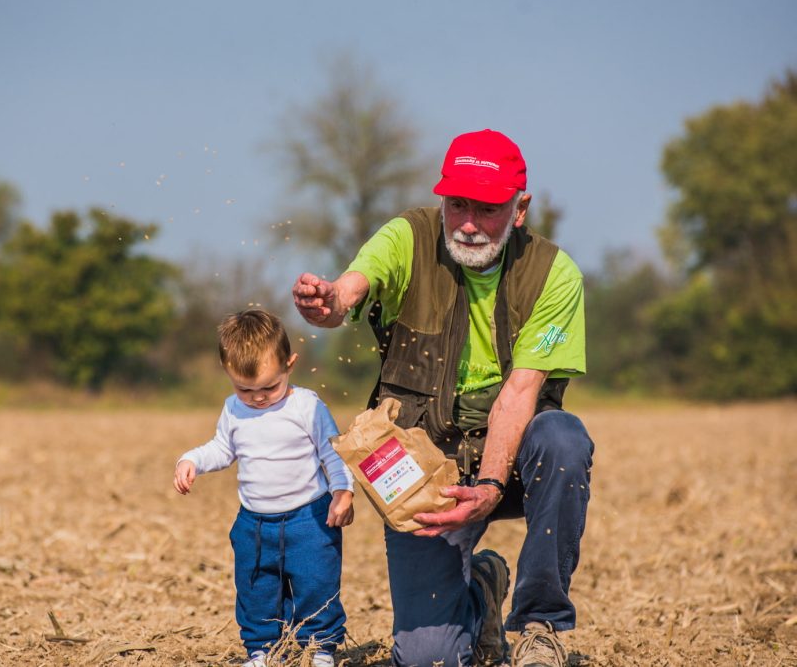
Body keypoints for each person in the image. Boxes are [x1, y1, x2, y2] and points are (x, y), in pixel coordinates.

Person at [291, 129, 594, 667]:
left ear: (520, 209)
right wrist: (331, 301)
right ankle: (481, 591)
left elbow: (520, 392)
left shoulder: (554, 274)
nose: (470, 223)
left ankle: (540, 626)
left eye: (488, 209)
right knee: (427, 658)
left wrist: (490, 485)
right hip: (422, 465)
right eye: (458, 205)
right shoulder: (408, 236)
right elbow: (353, 287)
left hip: (514, 460)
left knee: (563, 438)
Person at [174, 308, 356, 667]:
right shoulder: (233, 410)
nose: (258, 397)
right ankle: (262, 650)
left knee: (316, 584)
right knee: (256, 589)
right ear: (228, 374)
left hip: (310, 520)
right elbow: (223, 449)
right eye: (245, 389)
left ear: (290, 364)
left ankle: (320, 648)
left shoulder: (307, 406)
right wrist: (191, 459)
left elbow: (333, 453)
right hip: (254, 524)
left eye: (270, 387)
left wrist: (343, 491)